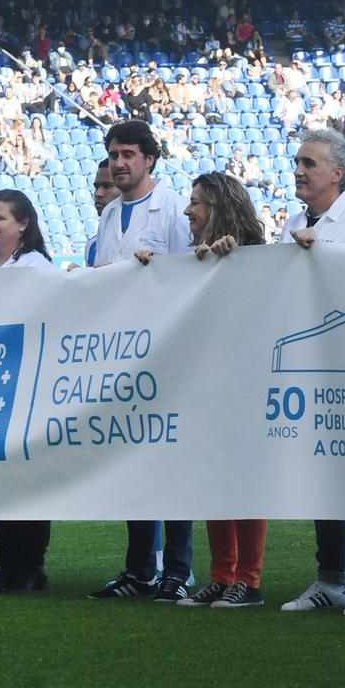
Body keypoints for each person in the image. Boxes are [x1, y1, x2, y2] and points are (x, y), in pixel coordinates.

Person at [256, 128, 345, 616]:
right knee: (323, 469)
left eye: (309, 163)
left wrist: (327, 253)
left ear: (336, 174)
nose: (298, 170)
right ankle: (330, 578)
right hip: (311, 370)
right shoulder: (292, 222)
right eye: (297, 161)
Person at [87, 120, 195, 600]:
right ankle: (138, 569)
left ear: (150, 158)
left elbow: (192, 273)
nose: (119, 162)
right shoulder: (110, 215)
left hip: (168, 349)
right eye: (114, 154)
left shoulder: (173, 208)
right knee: (133, 461)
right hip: (121, 353)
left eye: (128, 153)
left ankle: (178, 570)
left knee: (171, 463)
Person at [165, 172, 270, 608]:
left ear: (220, 208)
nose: (188, 210)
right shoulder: (196, 260)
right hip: (205, 383)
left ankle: (249, 578)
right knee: (212, 477)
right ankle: (222, 574)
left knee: (244, 478)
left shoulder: (258, 258)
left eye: (197, 203)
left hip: (247, 383)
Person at [0, 189, 58, 594]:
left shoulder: (37, 267)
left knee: (26, 478)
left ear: (22, 224)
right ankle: (7, 566)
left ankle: (31, 566)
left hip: (27, 379)